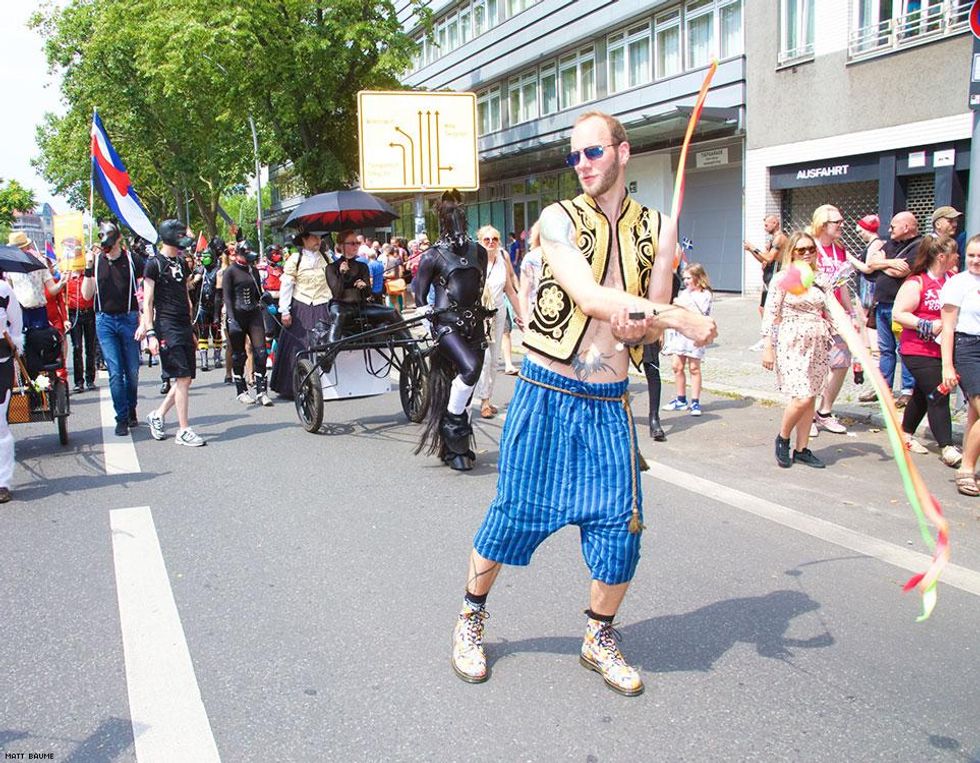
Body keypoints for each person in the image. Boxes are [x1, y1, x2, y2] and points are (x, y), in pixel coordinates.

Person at [450, 111, 717, 695]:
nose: (583, 165)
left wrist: (642, 330)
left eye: (593, 153)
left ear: (622, 152)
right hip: (546, 393)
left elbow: (645, 319)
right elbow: (589, 293)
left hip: (607, 400)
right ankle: (471, 617)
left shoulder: (660, 229)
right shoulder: (556, 219)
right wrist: (679, 320)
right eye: (575, 157)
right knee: (513, 515)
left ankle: (598, 635)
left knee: (622, 528)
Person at [414, 190, 490, 472]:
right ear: (443, 222)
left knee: (467, 384)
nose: (457, 225)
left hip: (475, 324)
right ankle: (452, 426)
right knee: (469, 369)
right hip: (446, 326)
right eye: (451, 218)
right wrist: (427, 325)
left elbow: (479, 287)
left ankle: (457, 449)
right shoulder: (433, 256)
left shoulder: (479, 252)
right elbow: (419, 295)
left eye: (461, 217)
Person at [761, 231, 838, 469]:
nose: (806, 254)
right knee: (802, 396)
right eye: (800, 250)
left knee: (811, 396)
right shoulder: (784, 278)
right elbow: (771, 313)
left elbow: (832, 310)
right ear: (791, 252)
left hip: (817, 341)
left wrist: (848, 338)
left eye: (810, 249)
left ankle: (802, 449)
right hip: (792, 340)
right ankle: (783, 437)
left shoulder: (820, 279)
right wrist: (767, 347)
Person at [893, 235, 960, 466]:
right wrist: (927, 325)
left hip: (944, 348)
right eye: (955, 253)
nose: (958, 257)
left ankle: (905, 433)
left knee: (926, 394)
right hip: (918, 349)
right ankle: (947, 446)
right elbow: (898, 313)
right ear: (942, 257)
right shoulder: (916, 282)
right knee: (939, 393)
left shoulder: (953, 279)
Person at [140, 220, 205, 446]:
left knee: (185, 379)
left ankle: (157, 415)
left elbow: (185, 296)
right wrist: (150, 333)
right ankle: (183, 429)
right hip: (166, 325)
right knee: (182, 377)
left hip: (184, 325)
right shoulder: (153, 264)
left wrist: (192, 329)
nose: (184, 242)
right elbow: (147, 301)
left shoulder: (180, 262)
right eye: (180, 236)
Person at [81, 222, 145, 436]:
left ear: (118, 239)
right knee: (116, 373)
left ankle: (131, 406)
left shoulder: (132, 260)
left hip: (129, 318)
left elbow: (145, 291)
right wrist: (88, 268)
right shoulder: (97, 261)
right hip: (105, 321)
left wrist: (145, 320)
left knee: (132, 371)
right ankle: (122, 417)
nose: (107, 247)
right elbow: (87, 295)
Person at [808, 204, 856, 436]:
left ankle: (824, 412)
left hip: (837, 316)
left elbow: (842, 284)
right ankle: (806, 415)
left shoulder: (840, 250)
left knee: (840, 363)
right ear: (822, 224)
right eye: (837, 221)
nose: (842, 225)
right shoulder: (808, 247)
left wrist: (852, 312)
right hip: (815, 316)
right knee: (813, 365)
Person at [868, 211, 922, 407]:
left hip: (900, 306)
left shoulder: (919, 246)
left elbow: (904, 270)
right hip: (881, 304)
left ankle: (907, 391)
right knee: (885, 349)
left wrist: (881, 265)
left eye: (893, 226)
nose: (889, 230)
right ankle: (884, 388)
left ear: (906, 227)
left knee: (904, 348)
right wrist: (889, 263)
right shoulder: (890, 244)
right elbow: (871, 262)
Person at [940, 234, 980, 496]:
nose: (976, 260)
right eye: (972, 255)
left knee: (975, 416)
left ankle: (971, 466)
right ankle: (965, 468)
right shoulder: (958, 283)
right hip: (968, 349)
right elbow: (948, 327)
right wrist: (947, 366)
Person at [272, 229, 331, 399]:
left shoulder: (327, 258)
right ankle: (296, 385)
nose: (317, 240)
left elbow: (332, 282)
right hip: (302, 306)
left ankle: (325, 386)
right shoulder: (295, 260)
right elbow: (287, 286)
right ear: (304, 240)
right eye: (314, 237)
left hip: (323, 304)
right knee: (300, 345)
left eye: (319, 237)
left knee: (326, 343)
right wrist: (284, 310)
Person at [473, 225, 522, 418]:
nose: (491, 242)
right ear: (480, 241)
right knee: (484, 359)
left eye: (494, 239)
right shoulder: (474, 258)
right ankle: (479, 399)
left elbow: (509, 290)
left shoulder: (503, 257)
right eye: (487, 239)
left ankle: (487, 399)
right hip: (478, 313)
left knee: (494, 359)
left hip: (498, 311)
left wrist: (522, 317)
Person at [224, 241, 273, 406]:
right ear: (238, 253)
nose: (250, 254)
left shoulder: (253, 270)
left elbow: (257, 292)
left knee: (261, 352)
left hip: (254, 314)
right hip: (237, 315)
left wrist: (265, 298)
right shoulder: (230, 272)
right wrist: (231, 319)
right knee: (239, 355)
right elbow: (227, 298)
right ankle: (241, 391)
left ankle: (262, 392)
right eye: (247, 251)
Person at [661, 263, 713, 417]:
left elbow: (698, 313)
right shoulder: (684, 293)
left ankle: (695, 401)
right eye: (684, 278)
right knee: (677, 366)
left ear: (698, 277)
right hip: (679, 335)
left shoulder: (705, 294)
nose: (686, 281)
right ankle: (680, 399)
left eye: (689, 278)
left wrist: (681, 305)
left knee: (694, 368)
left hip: (694, 334)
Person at [6, 231, 65, 330]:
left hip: (38, 311)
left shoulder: (39, 262)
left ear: (26, 248)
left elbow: (52, 289)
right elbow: (9, 290)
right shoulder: (10, 265)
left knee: (40, 342)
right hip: (19, 312)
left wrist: (61, 283)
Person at [743, 214, 787, 342]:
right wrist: (751, 251)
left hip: (775, 274)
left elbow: (769, 258)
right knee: (763, 308)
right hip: (768, 274)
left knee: (772, 309)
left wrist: (753, 247)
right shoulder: (772, 239)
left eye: (767, 224)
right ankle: (768, 336)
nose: (765, 227)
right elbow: (764, 259)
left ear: (775, 223)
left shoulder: (779, 239)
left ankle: (773, 337)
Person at [0, 276, 24, 502]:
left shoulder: (4, 290)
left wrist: (13, 340)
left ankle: (2, 482)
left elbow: (16, 323)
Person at [65, 248, 97, 393]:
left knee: (90, 347)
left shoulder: (88, 276)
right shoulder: (67, 277)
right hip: (74, 314)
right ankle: (79, 381)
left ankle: (90, 379)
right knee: (77, 347)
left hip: (89, 313)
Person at [931, 206, 965, 270]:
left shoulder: (954, 243)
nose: (955, 224)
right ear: (938, 224)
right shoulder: (929, 245)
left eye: (956, 221)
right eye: (950, 221)